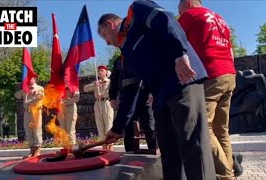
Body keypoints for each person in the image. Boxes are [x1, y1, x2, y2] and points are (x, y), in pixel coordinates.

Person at [97, 1, 216, 179]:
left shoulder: (136, 11)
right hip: (160, 98)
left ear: (110, 24)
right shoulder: (126, 56)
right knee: (169, 152)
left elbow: (165, 18)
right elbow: (131, 93)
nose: (107, 43)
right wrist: (117, 128)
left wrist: (180, 54)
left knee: (193, 144)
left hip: (182, 81)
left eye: (105, 35)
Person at [178, 0, 241, 179]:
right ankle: (227, 171)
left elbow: (176, 42)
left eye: (179, 9)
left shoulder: (189, 16)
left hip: (211, 75)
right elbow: (230, 50)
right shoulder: (219, 18)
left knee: (203, 127)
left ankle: (225, 175)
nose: (179, 13)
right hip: (229, 73)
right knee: (221, 130)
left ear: (188, 3)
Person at [109, 56, 157, 152]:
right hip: (127, 98)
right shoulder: (118, 61)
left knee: (149, 125)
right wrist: (112, 97)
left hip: (145, 97)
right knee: (128, 129)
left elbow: (152, 74)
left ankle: (154, 150)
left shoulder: (141, 55)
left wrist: (152, 91)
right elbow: (114, 80)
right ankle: (130, 154)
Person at [83, 65, 114, 151]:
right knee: (100, 126)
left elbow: (113, 91)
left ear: (106, 72)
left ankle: (110, 148)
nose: (100, 72)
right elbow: (85, 88)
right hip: (98, 103)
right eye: (99, 71)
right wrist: (94, 85)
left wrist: (104, 94)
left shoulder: (110, 82)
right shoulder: (96, 82)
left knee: (109, 125)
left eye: (102, 71)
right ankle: (104, 147)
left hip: (106, 102)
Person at [15, 77, 44, 158]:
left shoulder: (39, 88)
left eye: (30, 78)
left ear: (35, 79)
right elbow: (17, 95)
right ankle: (32, 149)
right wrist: (23, 88)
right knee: (28, 130)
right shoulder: (25, 88)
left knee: (37, 130)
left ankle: (38, 148)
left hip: (36, 111)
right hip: (27, 112)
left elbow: (40, 97)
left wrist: (29, 101)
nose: (28, 79)